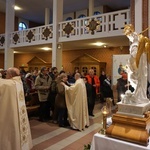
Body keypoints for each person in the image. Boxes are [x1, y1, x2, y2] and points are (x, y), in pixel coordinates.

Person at [0, 67, 32, 150]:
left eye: (6, 73)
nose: (5, 75)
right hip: (16, 111)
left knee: (11, 129)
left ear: (10, 75)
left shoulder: (9, 84)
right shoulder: (19, 82)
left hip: (10, 112)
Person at [123, 24, 150, 104]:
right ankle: (139, 95)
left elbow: (134, 56)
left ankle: (138, 96)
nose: (129, 38)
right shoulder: (138, 43)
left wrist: (129, 64)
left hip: (137, 67)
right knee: (135, 79)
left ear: (131, 35)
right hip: (139, 67)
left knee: (133, 78)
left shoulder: (135, 44)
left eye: (128, 36)